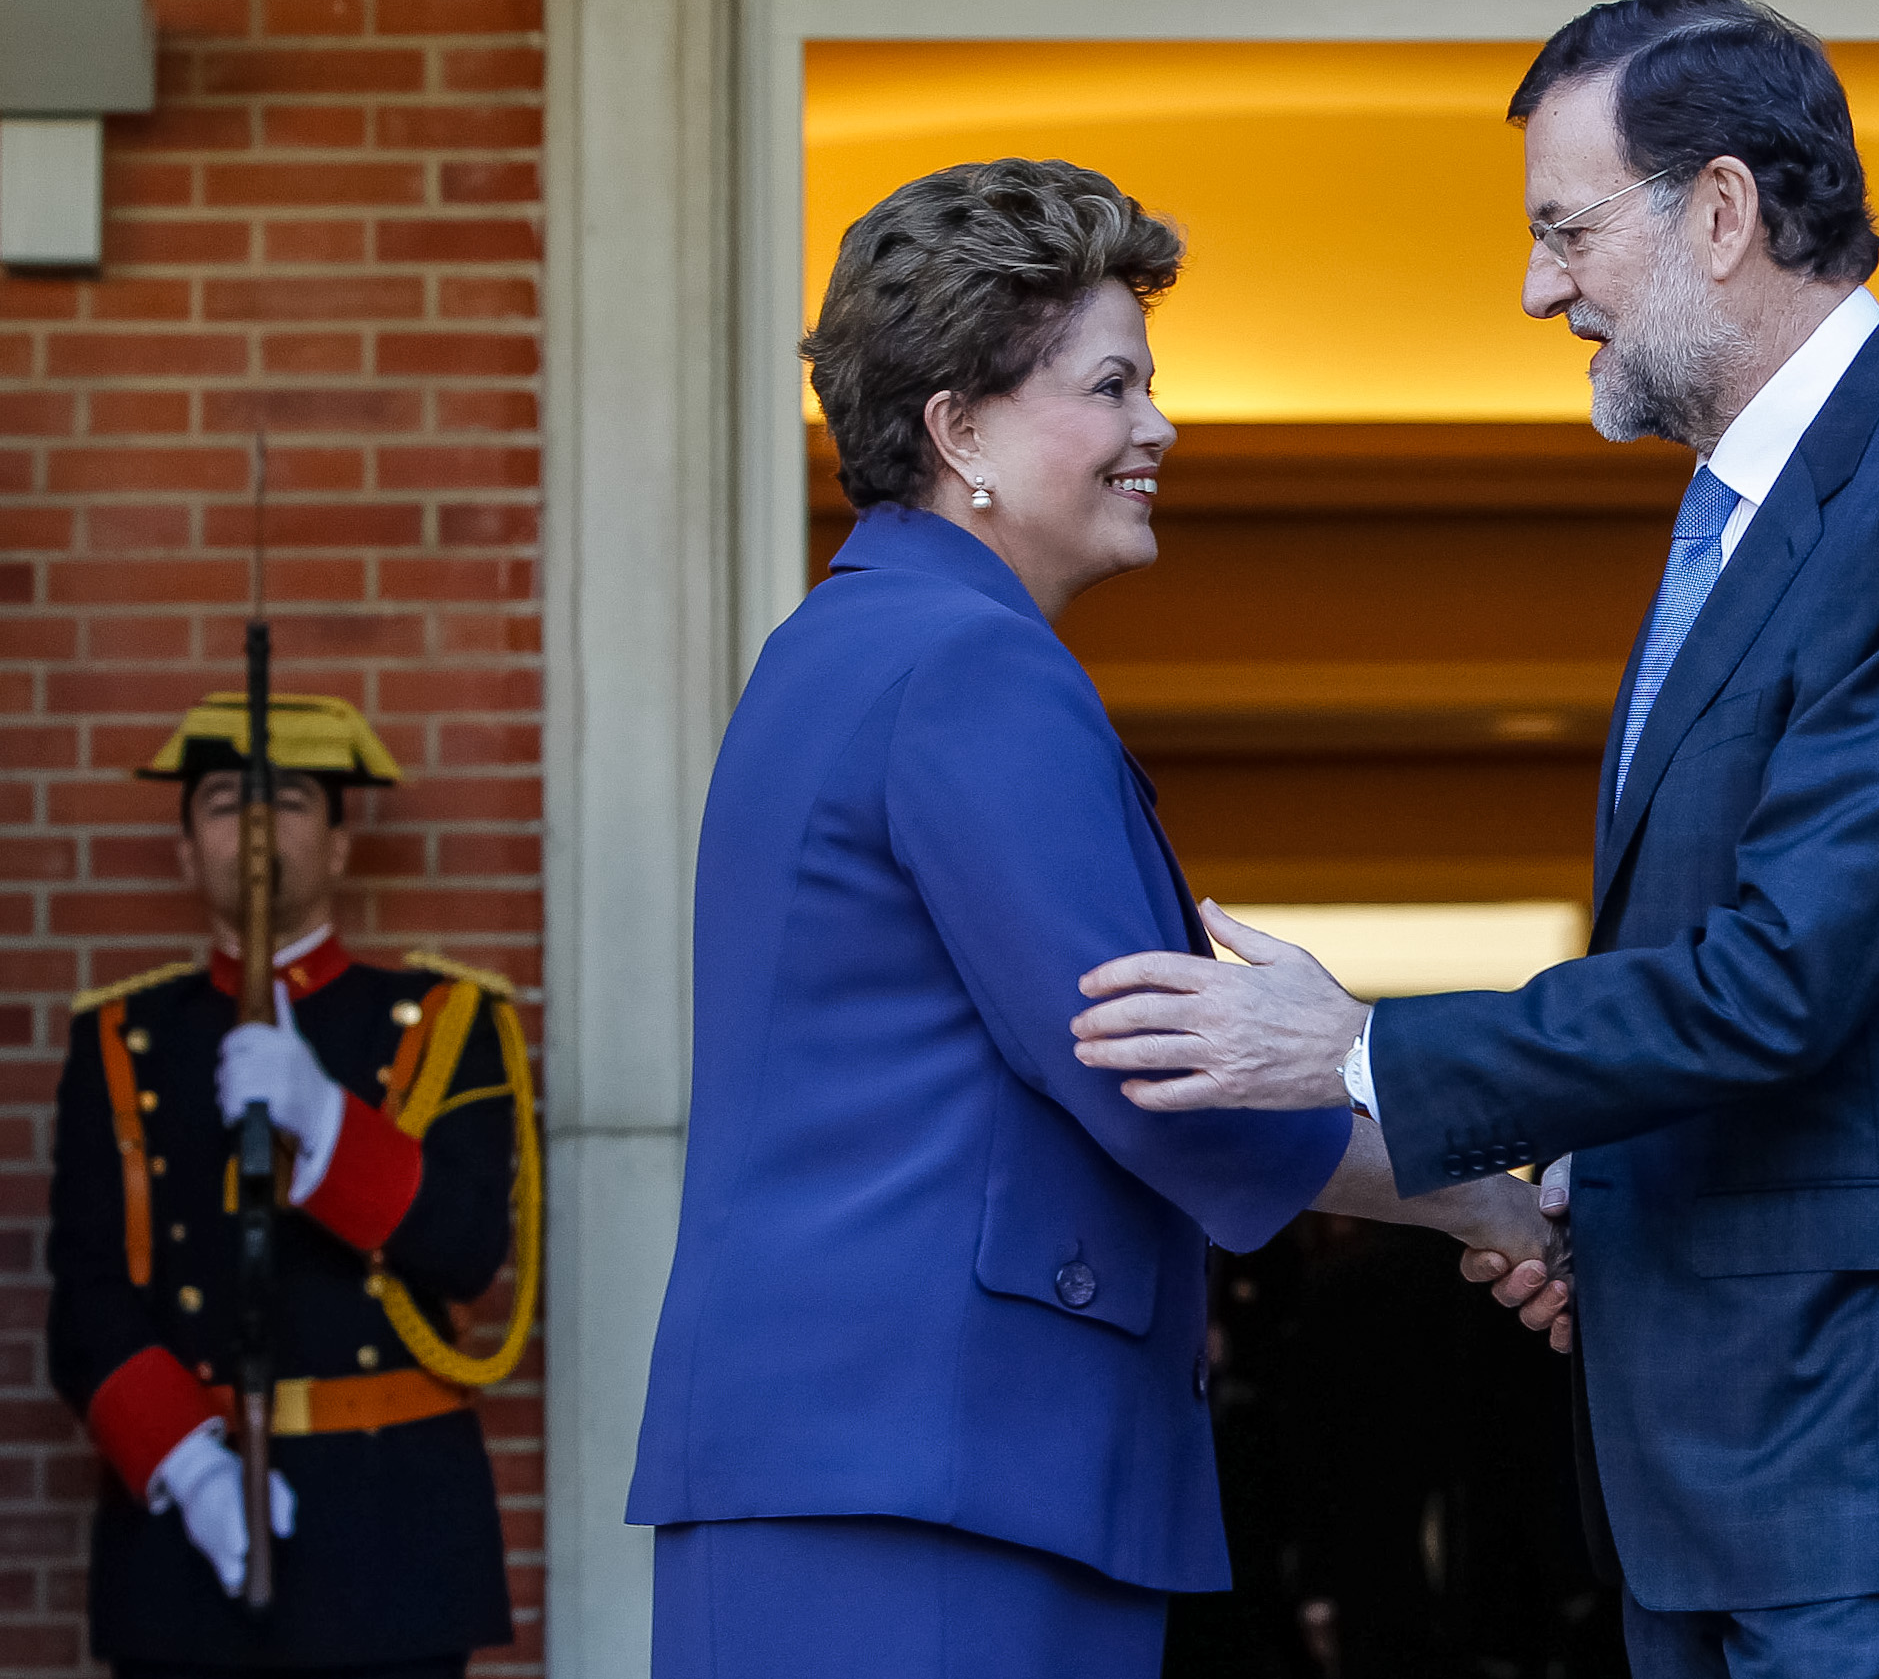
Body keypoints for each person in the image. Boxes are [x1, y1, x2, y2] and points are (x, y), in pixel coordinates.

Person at [1073, 0, 1879, 1679]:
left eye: (1567, 229)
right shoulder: (1762, 508)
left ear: (1728, 212)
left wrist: (1360, 1044)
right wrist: (1606, 1191)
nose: (1541, 288)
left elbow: (1777, 980)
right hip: (1775, 1440)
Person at [626, 158, 1562, 1679]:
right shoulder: (967, 668)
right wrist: (1486, 1197)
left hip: (868, 1463)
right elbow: (1156, 1070)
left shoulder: (846, 643)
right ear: (961, 431)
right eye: (1112, 385)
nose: (1159, 427)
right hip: (941, 1476)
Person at [46, 691, 533, 1677]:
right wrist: (186, 1462)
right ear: (185, 851)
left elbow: (469, 1247)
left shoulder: (443, 1021)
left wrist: (328, 1122)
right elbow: (85, 1298)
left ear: (343, 845)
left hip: (390, 1541)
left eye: (292, 799)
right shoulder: (118, 1041)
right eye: (226, 800)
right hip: (189, 1545)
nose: (260, 823)